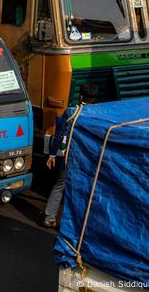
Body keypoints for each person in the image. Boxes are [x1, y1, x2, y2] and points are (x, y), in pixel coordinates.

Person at [43, 83, 98, 228]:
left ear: (80, 96)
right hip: (89, 157)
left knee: (60, 185)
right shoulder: (98, 113)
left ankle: (50, 217)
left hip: (71, 156)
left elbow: (60, 134)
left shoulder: (72, 112)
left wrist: (52, 155)